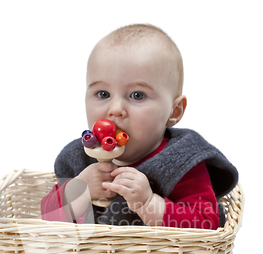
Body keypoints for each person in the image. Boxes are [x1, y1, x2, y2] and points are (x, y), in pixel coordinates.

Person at [41, 24, 238, 229]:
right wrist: (79, 191)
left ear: (174, 110)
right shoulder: (81, 158)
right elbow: (46, 219)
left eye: (137, 95)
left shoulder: (181, 161)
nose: (115, 109)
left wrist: (148, 204)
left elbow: (208, 225)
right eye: (103, 94)